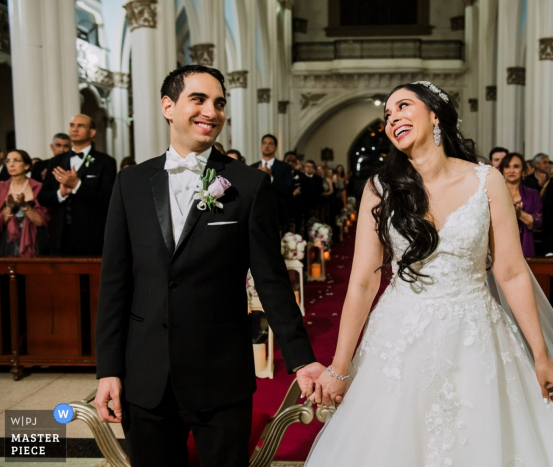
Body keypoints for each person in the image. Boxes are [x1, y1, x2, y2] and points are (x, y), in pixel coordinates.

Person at [303, 82, 553, 467]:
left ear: (435, 115)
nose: (392, 119)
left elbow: (512, 272)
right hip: (400, 336)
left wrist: (541, 355)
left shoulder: (487, 180)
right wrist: (340, 367)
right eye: (387, 115)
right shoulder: (381, 187)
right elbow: (363, 281)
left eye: (403, 106)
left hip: (475, 336)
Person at [94, 65, 323, 467]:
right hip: (146, 376)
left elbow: (270, 279)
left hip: (220, 375)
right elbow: (115, 283)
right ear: (168, 106)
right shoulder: (130, 183)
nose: (211, 111)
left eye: (219, 103)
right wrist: (108, 370)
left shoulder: (248, 185)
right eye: (198, 100)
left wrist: (302, 359)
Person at [37, 114, 117, 255]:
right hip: (59, 237)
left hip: (91, 237)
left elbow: (108, 199)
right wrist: (61, 193)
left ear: (92, 132)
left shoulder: (105, 162)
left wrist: (77, 186)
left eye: (81, 126)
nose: (74, 129)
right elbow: (43, 197)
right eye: (72, 125)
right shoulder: (56, 161)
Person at [0, 150, 49, 257]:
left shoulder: (38, 187)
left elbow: (41, 221)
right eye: (8, 161)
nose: (11, 164)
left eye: (16, 160)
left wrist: (25, 206)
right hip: (8, 241)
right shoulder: (2, 188)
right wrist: (8, 208)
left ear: (26, 166)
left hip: (35, 240)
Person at [499, 153, 542, 258]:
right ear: (502, 171)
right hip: (499, 243)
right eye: (507, 166)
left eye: (516, 166)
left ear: (523, 171)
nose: (511, 170)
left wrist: (518, 212)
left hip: (524, 242)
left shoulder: (533, 194)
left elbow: (537, 221)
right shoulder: (494, 193)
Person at [249, 134, 293, 233]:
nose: (267, 146)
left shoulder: (284, 167)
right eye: (264, 143)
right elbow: (249, 191)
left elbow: (286, 189)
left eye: (270, 143)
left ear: (275, 147)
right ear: (261, 146)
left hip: (278, 213)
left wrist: (271, 177)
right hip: (257, 214)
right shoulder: (252, 167)